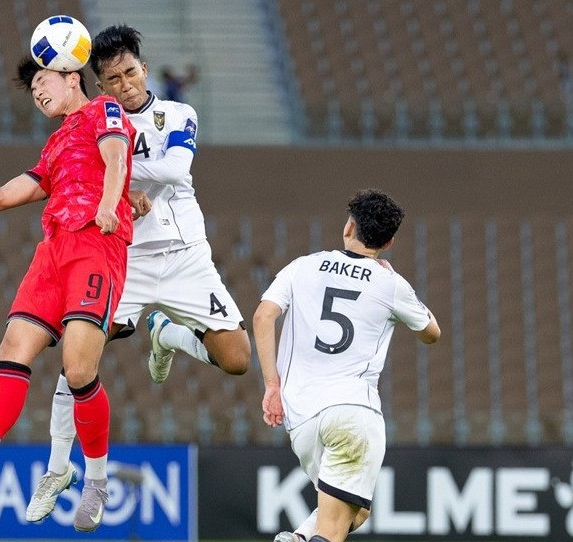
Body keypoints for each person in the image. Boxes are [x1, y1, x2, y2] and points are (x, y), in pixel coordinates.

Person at [25, 24, 251, 523]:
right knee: (77, 357)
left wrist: (114, 173)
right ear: (100, 85)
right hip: (127, 257)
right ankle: (57, 466)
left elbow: (176, 171)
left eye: (131, 72)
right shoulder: (92, 122)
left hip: (189, 256)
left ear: (144, 69)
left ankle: (167, 335)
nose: (125, 84)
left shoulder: (178, 113)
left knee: (237, 360)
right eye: (113, 78)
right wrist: (111, 177)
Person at [0, 57, 137, 534]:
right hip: (53, 253)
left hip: (96, 244)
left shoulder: (105, 109)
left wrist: (107, 205)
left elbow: (117, 157)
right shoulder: (54, 146)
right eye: (32, 87)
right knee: (12, 349)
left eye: (42, 80)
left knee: (79, 370)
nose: (36, 92)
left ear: (71, 77)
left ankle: (95, 480)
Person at [253, 189, 441, 542]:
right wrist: (401, 290)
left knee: (356, 511)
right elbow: (432, 333)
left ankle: (298, 539)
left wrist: (272, 385)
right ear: (388, 242)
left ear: (348, 227)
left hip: (303, 418)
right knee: (337, 526)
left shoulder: (302, 266)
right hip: (353, 412)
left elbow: (263, 316)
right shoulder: (390, 284)